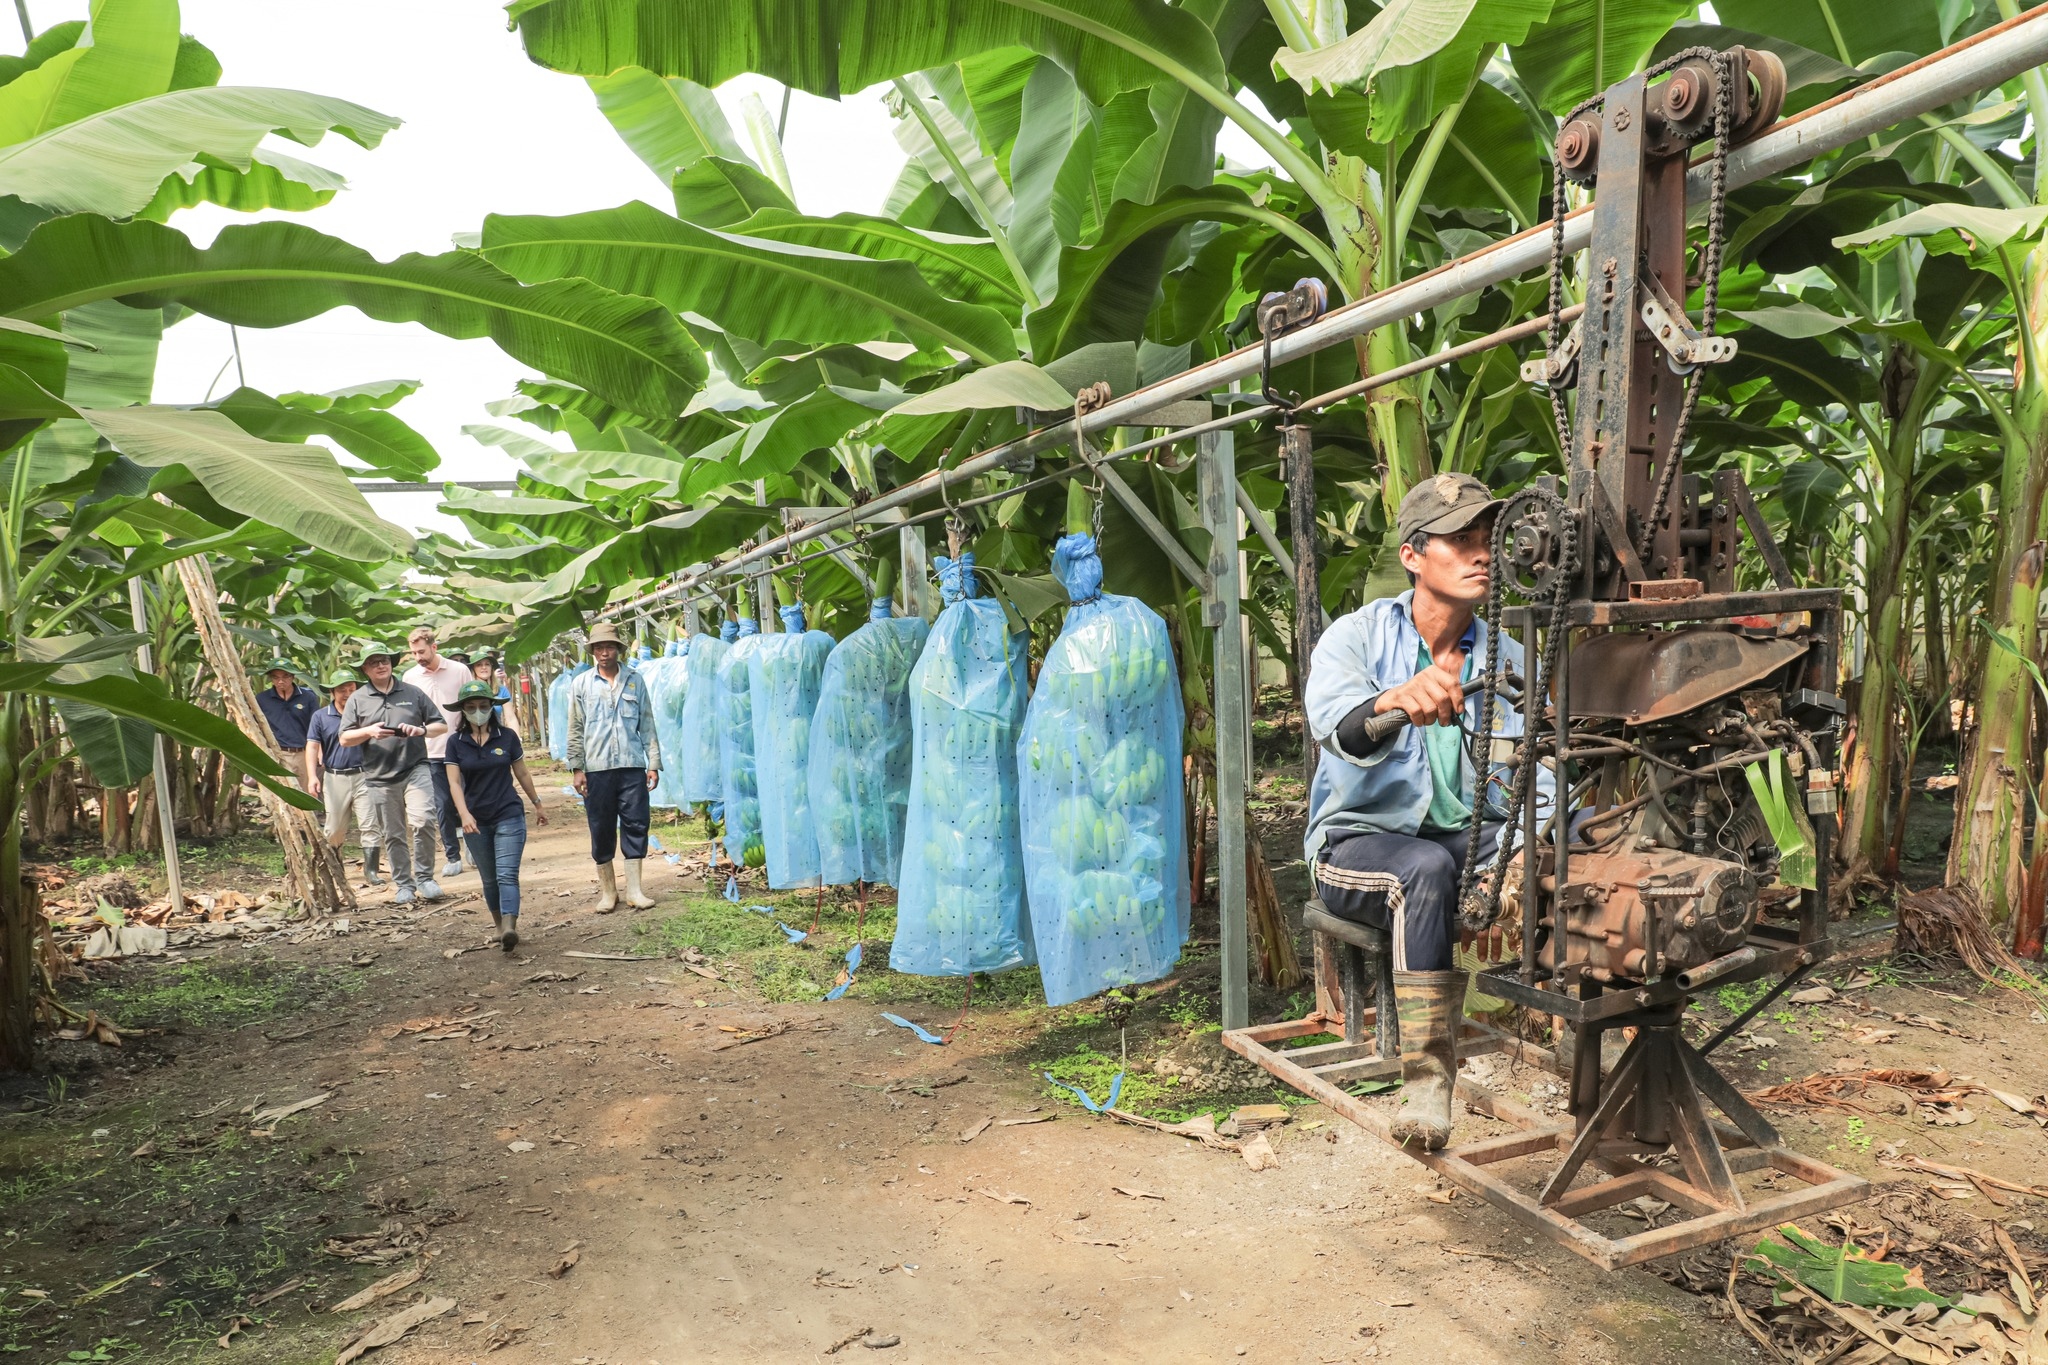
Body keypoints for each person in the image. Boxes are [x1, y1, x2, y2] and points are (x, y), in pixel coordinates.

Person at [1302, 473, 1550, 1152]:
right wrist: (1392, 701)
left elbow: (1549, 768)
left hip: (1470, 845)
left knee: (1592, 844)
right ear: (1413, 555)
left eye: (1487, 542)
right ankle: (1427, 1081)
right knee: (1424, 867)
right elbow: (1340, 729)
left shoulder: (1510, 659)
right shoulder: (1355, 640)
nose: (1480, 555)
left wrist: (1529, 847)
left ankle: (1605, 1044)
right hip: (1358, 849)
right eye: (1460, 541)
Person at [339, 643, 448, 905]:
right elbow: (344, 738)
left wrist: (420, 730)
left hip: (415, 766)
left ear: (392, 663)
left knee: (423, 820)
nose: (381, 665)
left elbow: (440, 725)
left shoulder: (412, 692)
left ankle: (425, 878)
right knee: (393, 832)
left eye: (384, 660)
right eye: (374, 661)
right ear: (365, 669)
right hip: (378, 775)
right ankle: (404, 884)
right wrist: (369, 732)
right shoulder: (358, 698)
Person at [565, 622, 661, 912]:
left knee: (636, 823)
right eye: (598, 648)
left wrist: (653, 763)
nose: (603, 653)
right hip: (597, 769)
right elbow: (575, 728)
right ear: (592, 651)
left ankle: (635, 890)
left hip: (632, 766)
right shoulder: (581, 684)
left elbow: (647, 723)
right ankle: (609, 892)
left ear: (618, 649)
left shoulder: (635, 680)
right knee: (601, 826)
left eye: (609, 647)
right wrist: (577, 768)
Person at [446, 679, 548, 951]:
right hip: (476, 820)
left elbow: (522, 772)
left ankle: (510, 927)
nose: (477, 711)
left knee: (506, 874)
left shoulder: (508, 738)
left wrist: (537, 803)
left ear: (492, 707)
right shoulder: (455, 743)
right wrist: (464, 815)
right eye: (471, 707)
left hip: (508, 812)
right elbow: (454, 783)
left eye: (483, 705)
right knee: (489, 878)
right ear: (463, 711)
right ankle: (498, 927)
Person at [402, 625, 470, 880]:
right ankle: (453, 856)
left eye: (422, 651)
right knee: (441, 803)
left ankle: (474, 845)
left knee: (469, 797)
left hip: (461, 747)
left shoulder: (459, 670)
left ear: (434, 646)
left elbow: (470, 705)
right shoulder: (410, 677)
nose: (418, 657)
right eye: (414, 653)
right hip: (429, 752)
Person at [307, 668, 386, 885]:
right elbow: (312, 746)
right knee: (333, 829)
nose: (348, 693)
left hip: (364, 776)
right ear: (332, 692)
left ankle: (371, 872)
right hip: (335, 778)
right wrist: (313, 776)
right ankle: (335, 867)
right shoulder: (321, 716)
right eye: (342, 690)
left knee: (370, 824)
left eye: (352, 689)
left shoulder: (365, 714)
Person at [254, 658, 316, 788]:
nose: (281, 681)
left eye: (285, 676)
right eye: (276, 677)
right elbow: (256, 727)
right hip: (276, 754)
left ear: (293, 676)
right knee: (279, 794)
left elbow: (316, 727)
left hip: (302, 754)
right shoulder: (261, 699)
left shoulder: (308, 697)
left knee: (303, 795)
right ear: (271, 678)